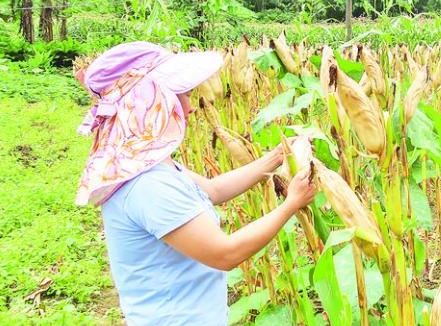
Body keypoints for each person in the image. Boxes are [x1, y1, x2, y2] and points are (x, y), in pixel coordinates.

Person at [74, 41, 317, 326]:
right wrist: (291, 204)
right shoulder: (148, 186)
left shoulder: (141, 164)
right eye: (182, 97)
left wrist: (275, 157)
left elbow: (213, 190)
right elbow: (224, 253)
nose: (190, 108)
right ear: (148, 103)